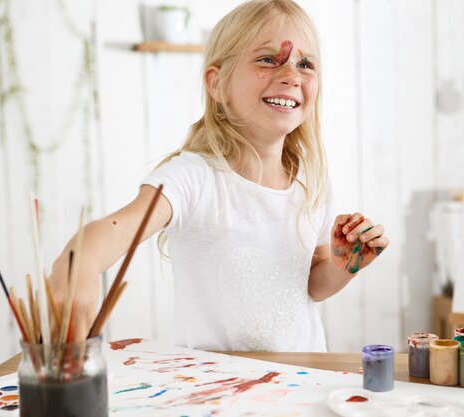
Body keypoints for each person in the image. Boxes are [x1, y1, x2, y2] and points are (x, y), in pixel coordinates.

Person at [49, 0, 389, 352]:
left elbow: (312, 285)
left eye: (305, 64)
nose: (291, 75)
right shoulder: (193, 177)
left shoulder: (311, 178)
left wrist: (343, 265)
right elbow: (114, 230)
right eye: (268, 59)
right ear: (218, 83)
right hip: (213, 392)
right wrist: (80, 263)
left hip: (299, 381)